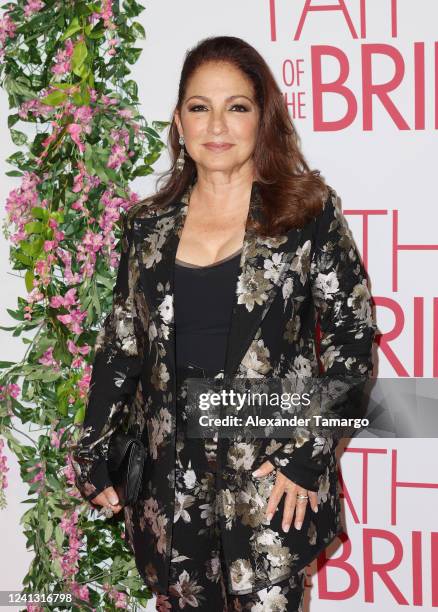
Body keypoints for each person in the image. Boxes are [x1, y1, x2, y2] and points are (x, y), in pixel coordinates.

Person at [70, 35, 377, 611]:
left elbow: (352, 342)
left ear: (263, 119)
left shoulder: (308, 215)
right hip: (171, 483)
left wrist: (307, 456)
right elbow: (122, 346)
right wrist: (94, 448)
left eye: (237, 106)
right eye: (199, 106)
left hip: (272, 475)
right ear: (179, 121)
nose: (217, 124)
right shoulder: (147, 227)